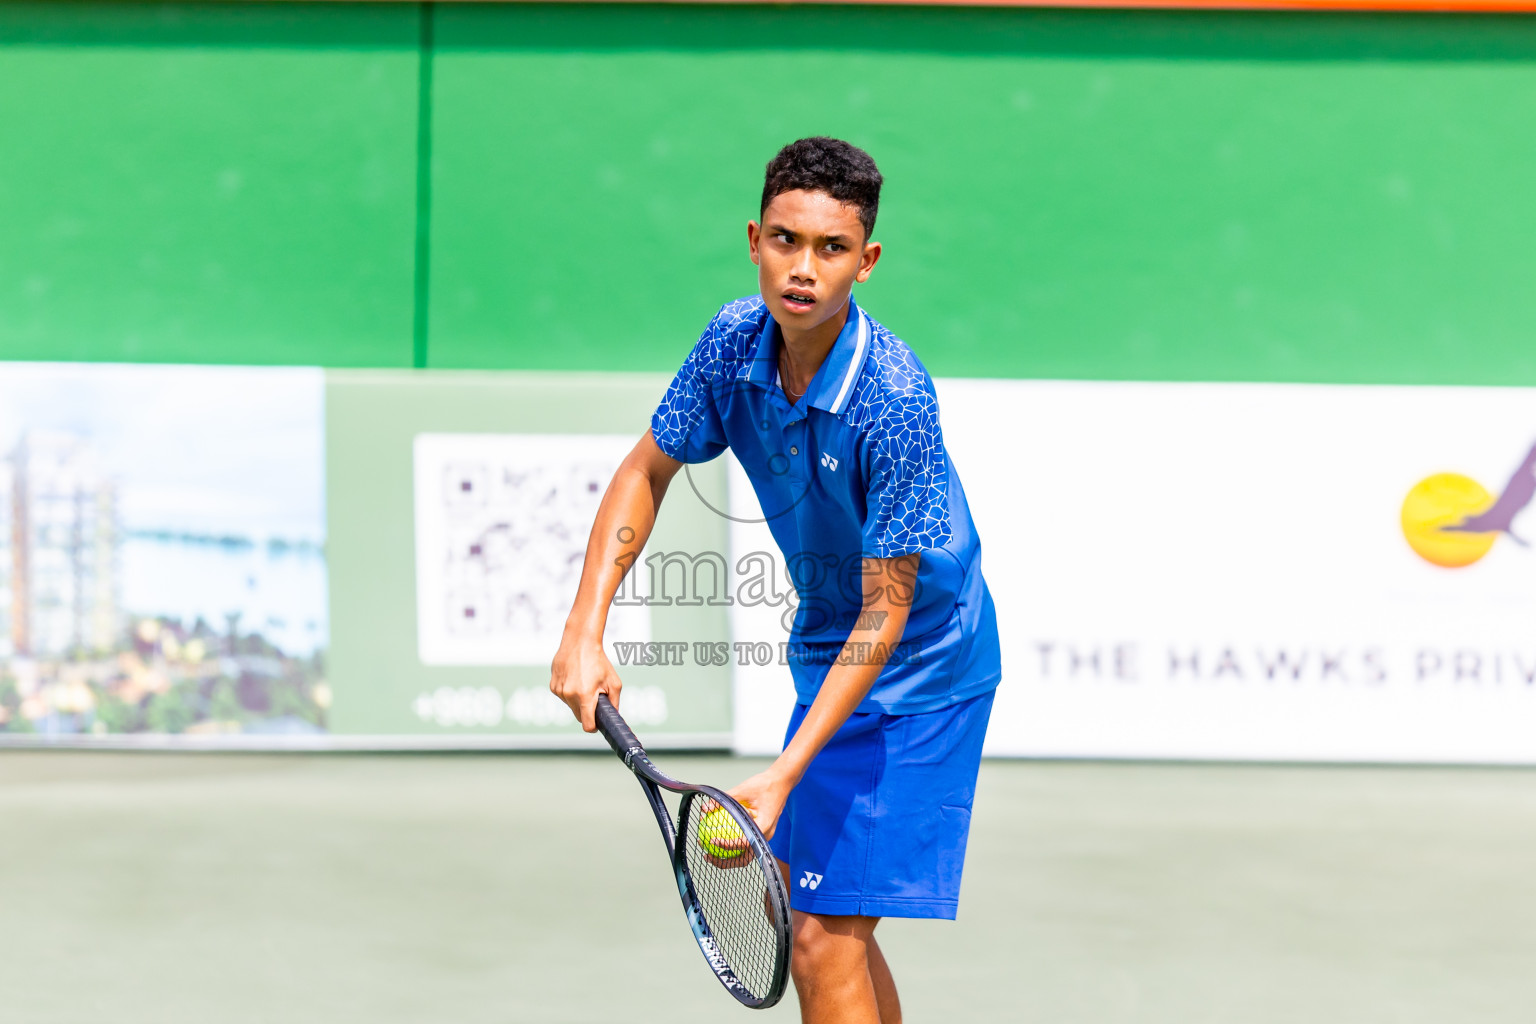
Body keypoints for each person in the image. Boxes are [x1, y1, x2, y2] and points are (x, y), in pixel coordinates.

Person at [550, 136, 1001, 1024]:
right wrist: (583, 628)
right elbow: (647, 470)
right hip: (831, 652)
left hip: (922, 674)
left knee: (822, 939)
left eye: (830, 250)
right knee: (828, 931)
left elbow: (890, 607)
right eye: (786, 241)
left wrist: (785, 772)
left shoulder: (895, 397)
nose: (803, 268)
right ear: (754, 238)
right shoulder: (731, 343)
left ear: (865, 263)